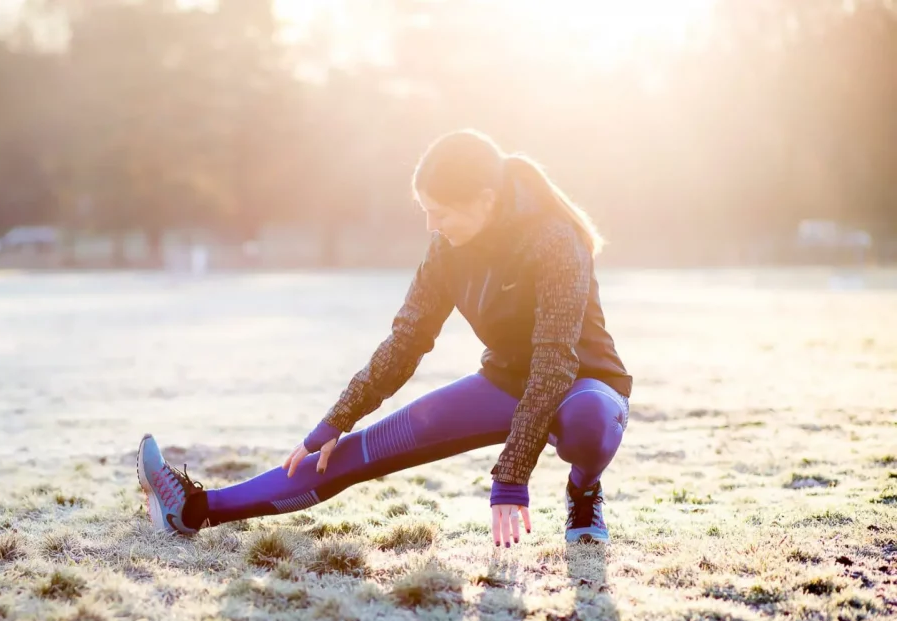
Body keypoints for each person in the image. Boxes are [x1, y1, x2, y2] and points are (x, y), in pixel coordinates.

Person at [136, 129, 632, 548]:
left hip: (584, 384)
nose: (431, 225)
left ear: (485, 200)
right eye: (425, 210)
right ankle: (194, 510)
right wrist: (335, 420)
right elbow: (405, 341)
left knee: (585, 421)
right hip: (505, 384)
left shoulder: (554, 240)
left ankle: (584, 491)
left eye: (441, 212)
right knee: (353, 452)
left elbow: (554, 362)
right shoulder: (446, 250)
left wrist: (511, 476)